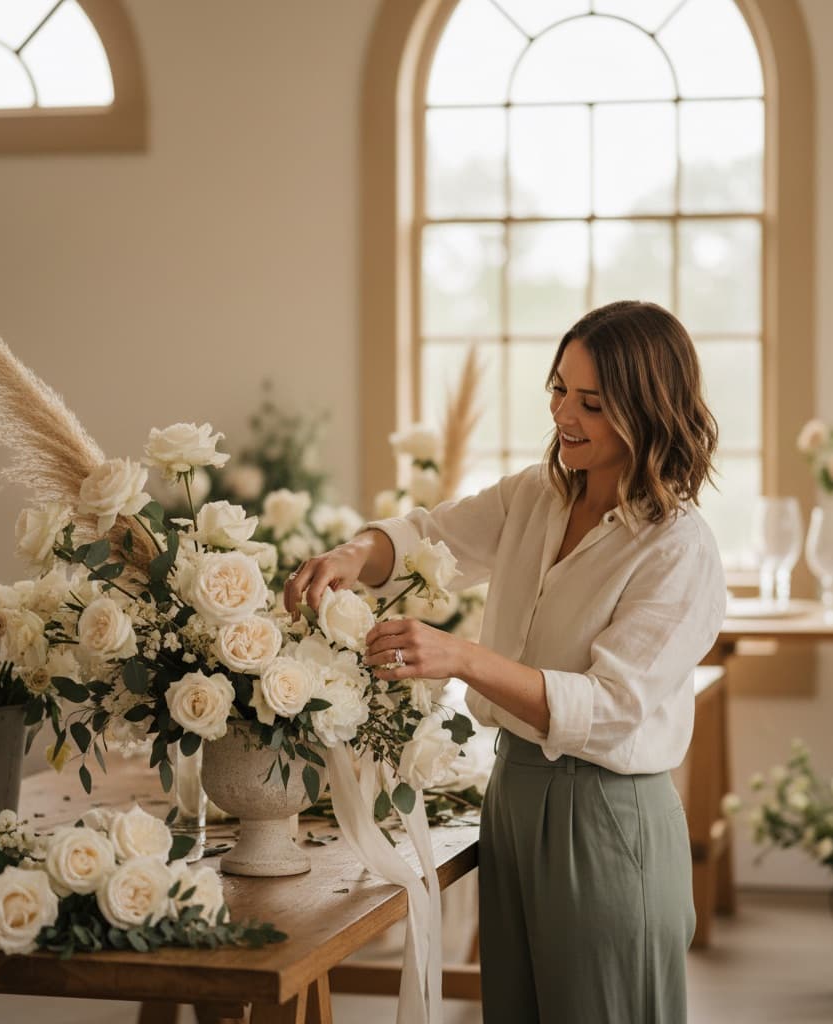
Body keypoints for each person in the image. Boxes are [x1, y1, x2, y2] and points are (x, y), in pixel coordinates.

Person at [284, 300, 727, 1023]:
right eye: (558, 389)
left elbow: (608, 707)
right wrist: (351, 554)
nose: (564, 414)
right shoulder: (537, 496)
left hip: (609, 819)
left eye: (591, 402)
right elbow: (431, 537)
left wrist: (461, 658)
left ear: (649, 410)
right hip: (514, 793)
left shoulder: (679, 548)